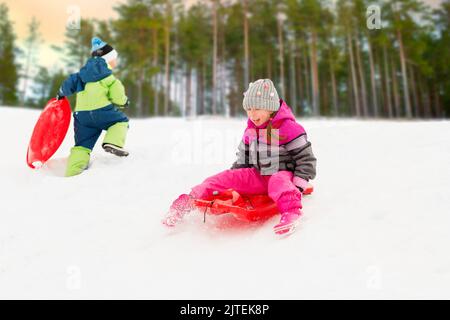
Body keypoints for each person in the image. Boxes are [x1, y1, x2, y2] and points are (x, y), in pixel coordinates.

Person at [164, 79, 317, 235]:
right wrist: (233, 180)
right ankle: (188, 201)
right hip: (259, 175)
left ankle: (291, 212)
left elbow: (306, 159)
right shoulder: (252, 128)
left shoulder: (287, 127)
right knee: (222, 178)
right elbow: (244, 157)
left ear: (271, 108)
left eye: (257, 108)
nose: (252, 113)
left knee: (278, 181)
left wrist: (297, 186)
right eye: (248, 108)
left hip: (283, 174)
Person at [57, 37, 130, 177]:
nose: (116, 62)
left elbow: (68, 85)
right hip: (102, 111)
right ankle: (112, 143)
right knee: (121, 121)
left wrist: (61, 93)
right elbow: (117, 94)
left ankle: (73, 172)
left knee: (82, 145)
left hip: (82, 116)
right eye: (114, 58)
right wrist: (123, 102)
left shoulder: (81, 75)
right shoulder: (108, 77)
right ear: (107, 59)